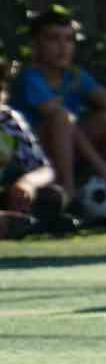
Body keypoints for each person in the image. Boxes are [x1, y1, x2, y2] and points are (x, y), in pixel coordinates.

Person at [11, 8, 106, 209]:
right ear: (36, 44)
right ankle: (68, 194)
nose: (63, 47)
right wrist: (102, 166)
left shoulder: (75, 75)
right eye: (54, 39)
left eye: (69, 39)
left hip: (69, 146)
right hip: (35, 155)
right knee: (62, 117)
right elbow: (64, 122)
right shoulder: (30, 78)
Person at [0, 66, 75, 239]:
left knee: (52, 196)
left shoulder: (8, 120)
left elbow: (45, 169)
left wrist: (28, 183)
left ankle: (19, 221)